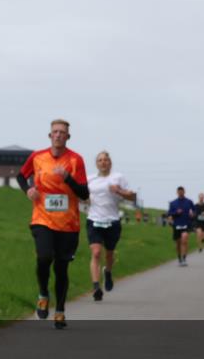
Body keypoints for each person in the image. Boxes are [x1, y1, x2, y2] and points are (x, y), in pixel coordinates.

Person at [17, 119, 89, 330]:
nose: (58, 135)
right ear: (50, 136)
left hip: (68, 224)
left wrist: (68, 178)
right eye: (54, 132)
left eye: (62, 132)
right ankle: (43, 293)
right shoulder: (37, 157)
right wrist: (28, 190)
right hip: (42, 218)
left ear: (68, 137)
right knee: (44, 257)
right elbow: (22, 176)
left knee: (61, 268)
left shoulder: (76, 160)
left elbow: (84, 193)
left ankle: (60, 310)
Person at [84, 151, 136, 301]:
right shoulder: (90, 179)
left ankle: (107, 272)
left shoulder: (118, 177)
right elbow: (83, 196)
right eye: (100, 160)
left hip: (112, 221)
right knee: (96, 252)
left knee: (109, 254)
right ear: (96, 164)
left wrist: (118, 190)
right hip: (94, 220)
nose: (103, 162)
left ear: (110, 163)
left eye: (106, 160)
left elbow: (132, 197)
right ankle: (96, 287)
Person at [166, 187, 195, 266]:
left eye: (182, 191)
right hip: (177, 225)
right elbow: (169, 214)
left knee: (184, 240)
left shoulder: (189, 202)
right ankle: (179, 258)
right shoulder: (173, 203)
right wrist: (176, 212)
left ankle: (184, 258)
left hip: (186, 224)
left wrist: (192, 214)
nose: (180, 193)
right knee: (178, 243)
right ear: (177, 192)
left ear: (184, 192)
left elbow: (194, 211)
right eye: (179, 192)